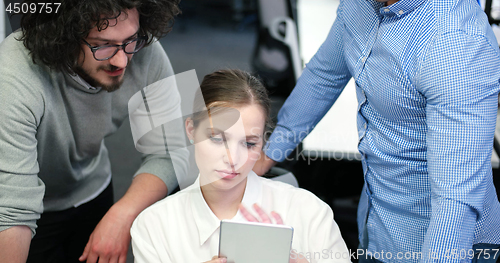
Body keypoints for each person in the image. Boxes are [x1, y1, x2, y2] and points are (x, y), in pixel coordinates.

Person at [253, 0, 500, 262]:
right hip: (377, 228)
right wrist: (268, 153)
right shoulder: (360, 4)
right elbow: (325, 75)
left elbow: (455, 200)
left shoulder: (455, 43)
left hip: (443, 245)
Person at [0, 0, 187, 262]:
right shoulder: (13, 75)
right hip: (31, 208)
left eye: (130, 40)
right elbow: (12, 210)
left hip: (93, 186)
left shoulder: (146, 50)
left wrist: (122, 214)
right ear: (64, 36)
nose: (121, 60)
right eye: (103, 45)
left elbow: (173, 149)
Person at [130, 69, 351, 263]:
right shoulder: (153, 228)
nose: (232, 158)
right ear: (191, 130)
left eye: (249, 143)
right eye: (217, 138)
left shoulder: (310, 214)